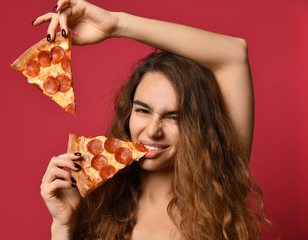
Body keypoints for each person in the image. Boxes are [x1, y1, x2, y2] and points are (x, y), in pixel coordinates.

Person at [36, 0, 270, 239]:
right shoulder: (98, 203)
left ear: (196, 125)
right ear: (128, 113)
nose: (153, 130)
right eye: (143, 111)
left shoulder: (222, 185)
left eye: (173, 117)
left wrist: (117, 24)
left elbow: (234, 53)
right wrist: (63, 226)